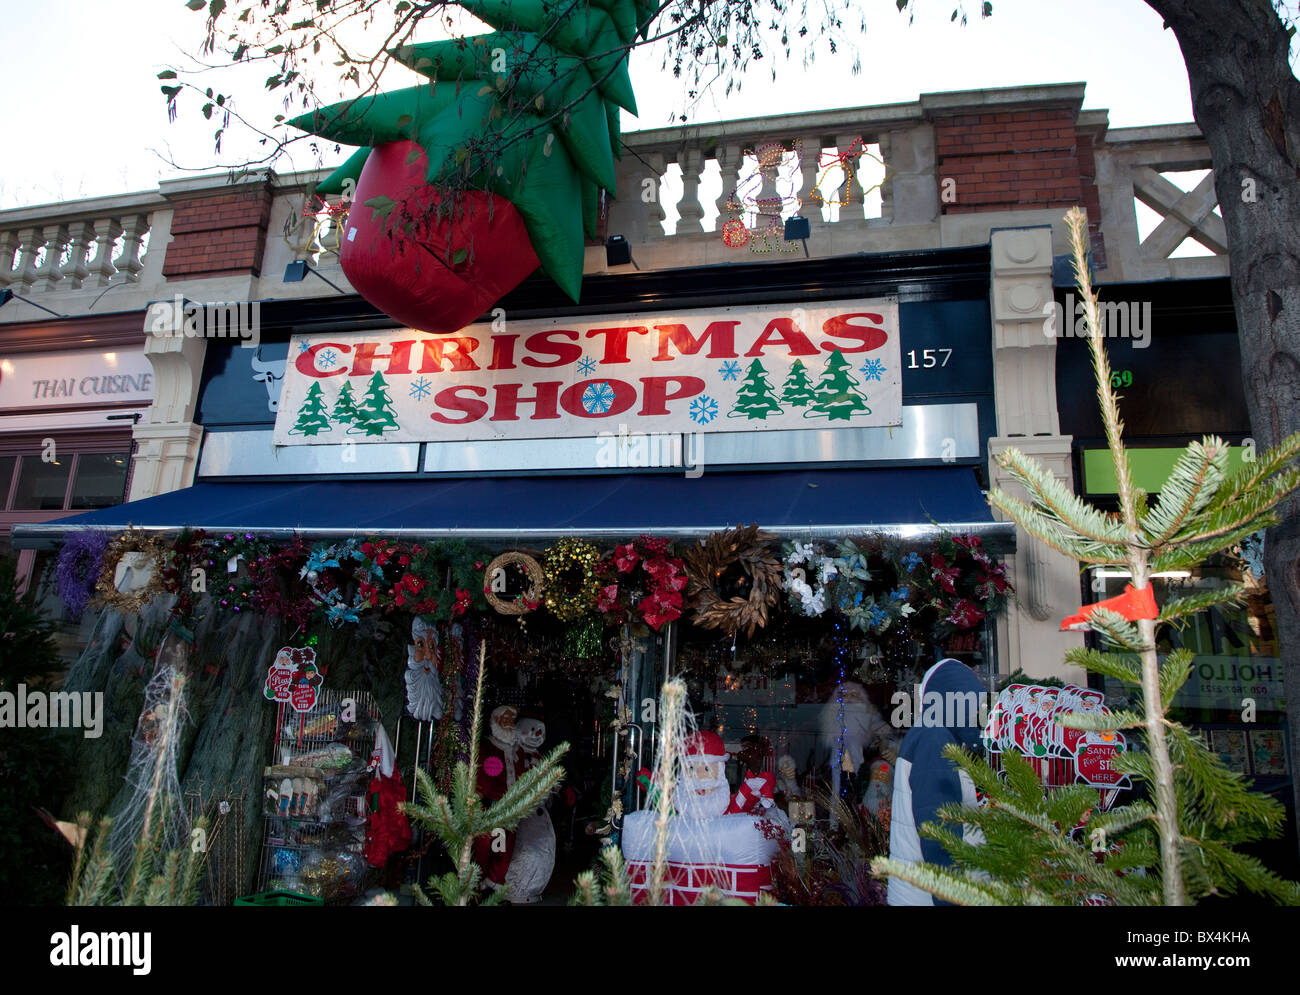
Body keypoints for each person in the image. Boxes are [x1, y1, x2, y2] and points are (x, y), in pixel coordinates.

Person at [887, 658, 987, 906]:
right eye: (972, 704)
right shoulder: (935, 740)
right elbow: (939, 834)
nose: (979, 715)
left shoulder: (938, 735)